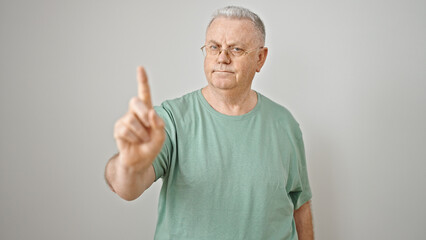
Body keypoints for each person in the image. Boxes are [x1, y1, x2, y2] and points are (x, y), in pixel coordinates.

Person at [105, 6, 314, 240]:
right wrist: (128, 164)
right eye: (214, 47)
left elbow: (300, 204)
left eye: (236, 49)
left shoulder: (285, 124)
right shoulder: (169, 119)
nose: (222, 58)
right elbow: (125, 188)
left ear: (260, 58)